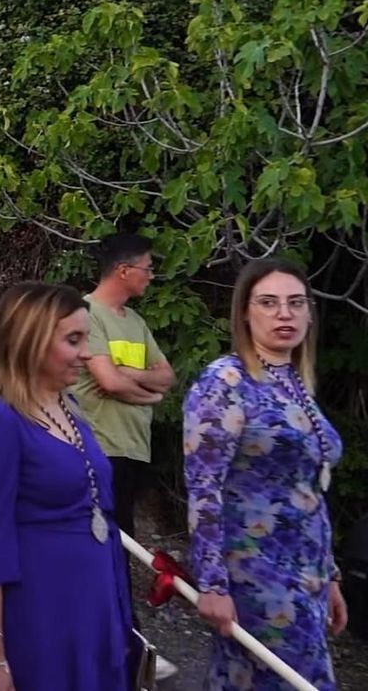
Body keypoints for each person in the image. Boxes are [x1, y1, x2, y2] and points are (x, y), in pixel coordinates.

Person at [0, 282, 134, 691]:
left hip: (90, 607)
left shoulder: (70, 409)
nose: (87, 353)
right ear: (30, 341)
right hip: (37, 610)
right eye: (73, 340)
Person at [184, 258, 347, 690]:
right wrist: (212, 582)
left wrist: (329, 576)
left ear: (310, 312)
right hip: (256, 577)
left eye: (295, 303)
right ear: (245, 311)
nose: (284, 314)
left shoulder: (295, 382)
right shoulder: (227, 381)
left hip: (306, 573)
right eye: (269, 302)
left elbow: (309, 488)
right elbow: (204, 487)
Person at [71, 233, 175, 541]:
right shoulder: (86, 313)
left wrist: (128, 372)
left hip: (134, 448)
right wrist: (150, 392)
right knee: (104, 542)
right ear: (124, 270)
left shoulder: (136, 322)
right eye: (148, 267)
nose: (151, 276)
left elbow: (167, 375)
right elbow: (109, 381)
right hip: (100, 448)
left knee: (123, 542)